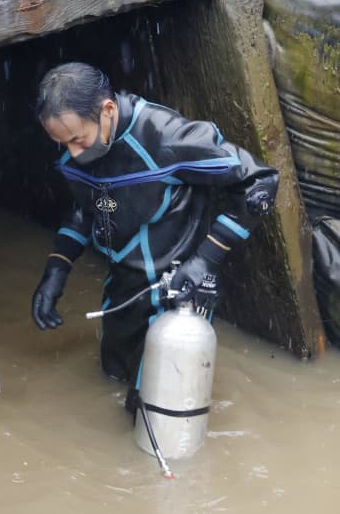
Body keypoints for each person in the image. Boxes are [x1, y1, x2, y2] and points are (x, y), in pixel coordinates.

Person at [30, 62, 279, 398]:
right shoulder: (79, 157)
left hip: (180, 291)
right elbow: (88, 207)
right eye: (63, 144)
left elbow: (259, 182)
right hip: (122, 290)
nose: (73, 153)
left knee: (151, 409)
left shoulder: (166, 137)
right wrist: (57, 270)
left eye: (78, 139)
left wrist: (207, 259)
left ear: (107, 110)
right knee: (111, 380)